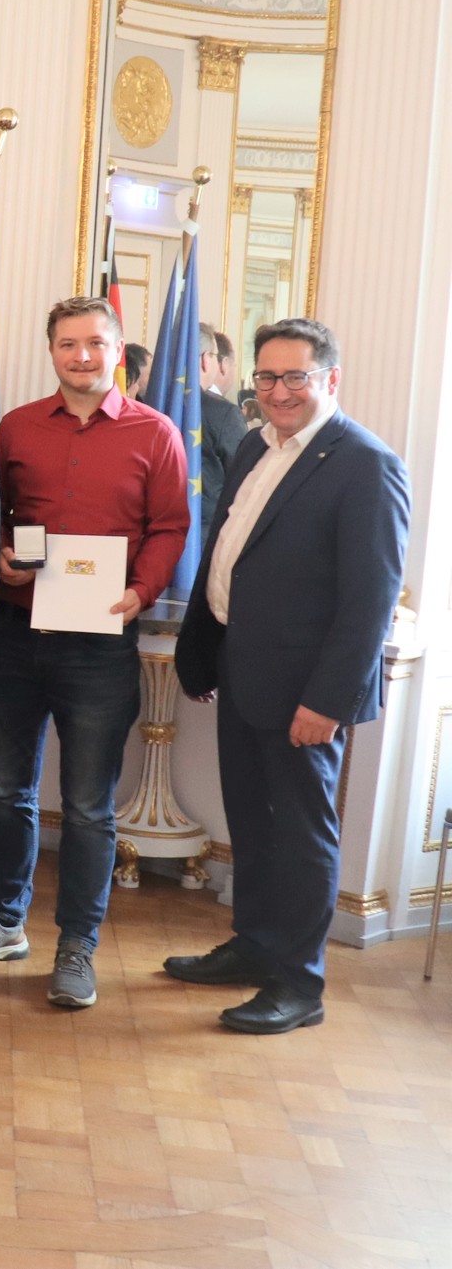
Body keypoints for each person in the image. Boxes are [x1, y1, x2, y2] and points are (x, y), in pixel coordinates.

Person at [0, 297, 187, 1008]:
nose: (82, 355)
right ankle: (4, 920)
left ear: (118, 349)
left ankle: (77, 943)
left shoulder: (156, 433)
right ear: (51, 351)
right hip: (15, 634)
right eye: (68, 344)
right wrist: (0, 560)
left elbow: (170, 526)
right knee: (7, 790)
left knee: (87, 806)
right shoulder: (13, 428)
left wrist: (141, 590)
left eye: (96, 343)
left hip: (101, 647)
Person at [169, 319, 408, 1034]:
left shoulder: (365, 463)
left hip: (308, 694)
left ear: (330, 380)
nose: (278, 391)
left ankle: (298, 984)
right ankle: (254, 944)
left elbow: (371, 599)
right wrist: (206, 651)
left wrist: (328, 701)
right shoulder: (254, 445)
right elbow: (229, 552)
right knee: (252, 821)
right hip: (245, 673)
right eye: (266, 378)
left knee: (302, 835)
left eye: (295, 377)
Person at [198, 322, 247, 512]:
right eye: (214, 355)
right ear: (205, 359)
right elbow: (242, 481)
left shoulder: (150, 405)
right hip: (204, 535)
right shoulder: (224, 414)